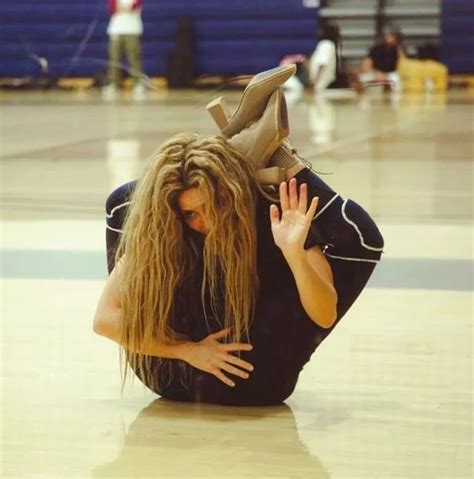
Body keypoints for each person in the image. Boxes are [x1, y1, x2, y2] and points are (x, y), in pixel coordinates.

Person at [94, 65, 384, 406]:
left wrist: (294, 252)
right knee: (362, 240)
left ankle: (233, 156)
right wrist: (187, 351)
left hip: (248, 375)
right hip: (182, 373)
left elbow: (323, 313)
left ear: (227, 197)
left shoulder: (267, 220)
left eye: (211, 206)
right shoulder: (163, 228)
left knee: (124, 204)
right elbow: (104, 320)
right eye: (189, 213)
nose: (204, 222)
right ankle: (259, 157)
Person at [102, 0, 146, 101]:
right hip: (116, 29)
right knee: (114, 58)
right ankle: (113, 83)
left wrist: (124, 8)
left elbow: (134, 6)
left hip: (132, 29)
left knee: (134, 57)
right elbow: (113, 9)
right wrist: (121, 8)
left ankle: (138, 83)